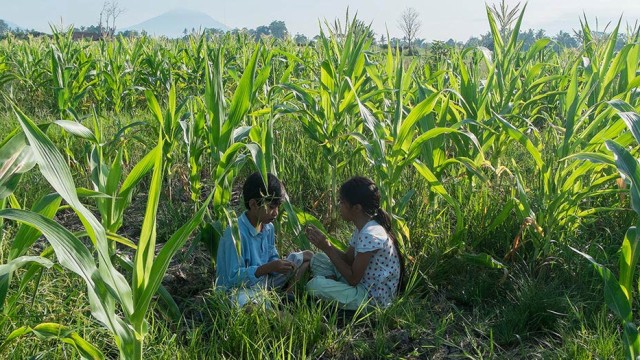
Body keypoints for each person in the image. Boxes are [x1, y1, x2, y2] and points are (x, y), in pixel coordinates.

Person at [305, 176, 405, 310]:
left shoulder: (369, 234)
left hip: (371, 300)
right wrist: (326, 244)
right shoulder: (363, 228)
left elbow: (353, 279)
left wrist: (328, 249)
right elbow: (348, 259)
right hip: (361, 285)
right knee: (319, 259)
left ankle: (333, 298)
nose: (339, 206)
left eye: (342, 202)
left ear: (357, 208)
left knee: (314, 286)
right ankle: (334, 296)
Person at [216, 171, 312, 307]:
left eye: (278, 207)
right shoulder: (235, 234)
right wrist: (266, 268)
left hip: (265, 281)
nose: (276, 212)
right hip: (239, 290)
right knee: (248, 305)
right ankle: (279, 315)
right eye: (271, 207)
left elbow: (272, 257)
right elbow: (233, 278)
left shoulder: (268, 228)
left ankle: (288, 297)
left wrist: (279, 265)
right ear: (254, 204)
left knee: (307, 257)